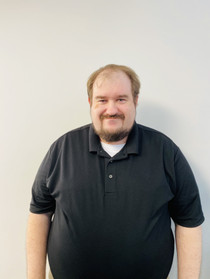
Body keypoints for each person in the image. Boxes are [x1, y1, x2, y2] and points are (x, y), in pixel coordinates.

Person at [26, 64, 204, 279]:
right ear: (91, 103)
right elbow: (39, 213)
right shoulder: (62, 149)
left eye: (121, 99)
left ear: (135, 101)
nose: (111, 110)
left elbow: (189, 222)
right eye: (102, 100)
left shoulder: (166, 152)